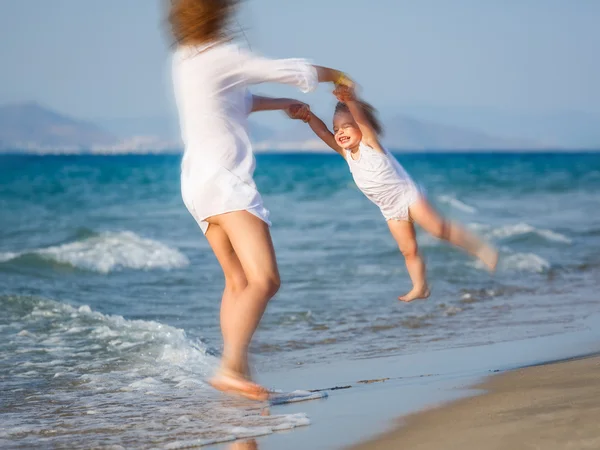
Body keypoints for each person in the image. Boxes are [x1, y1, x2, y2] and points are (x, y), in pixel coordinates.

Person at [168, 0, 353, 401]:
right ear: (219, 15)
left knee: (237, 281)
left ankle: (238, 377)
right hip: (225, 182)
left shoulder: (186, 60)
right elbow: (290, 70)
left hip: (195, 186)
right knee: (266, 280)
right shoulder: (222, 55)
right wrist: (337, 74)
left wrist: (280, 105)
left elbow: (235, 101)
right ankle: (230, 368)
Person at [288, 85, 498, 301]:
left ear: (361, 127)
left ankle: (481, 249)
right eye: (337, 128)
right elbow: (323, 132)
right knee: (408, 250)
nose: (340, 132)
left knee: (438, 229)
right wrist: (308, 116)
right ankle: (421, 287)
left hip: (408, 196)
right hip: (389, 208)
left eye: (347, 126)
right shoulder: (346, 153)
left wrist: (351, 100)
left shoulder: (370, 143)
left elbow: (361, 120)